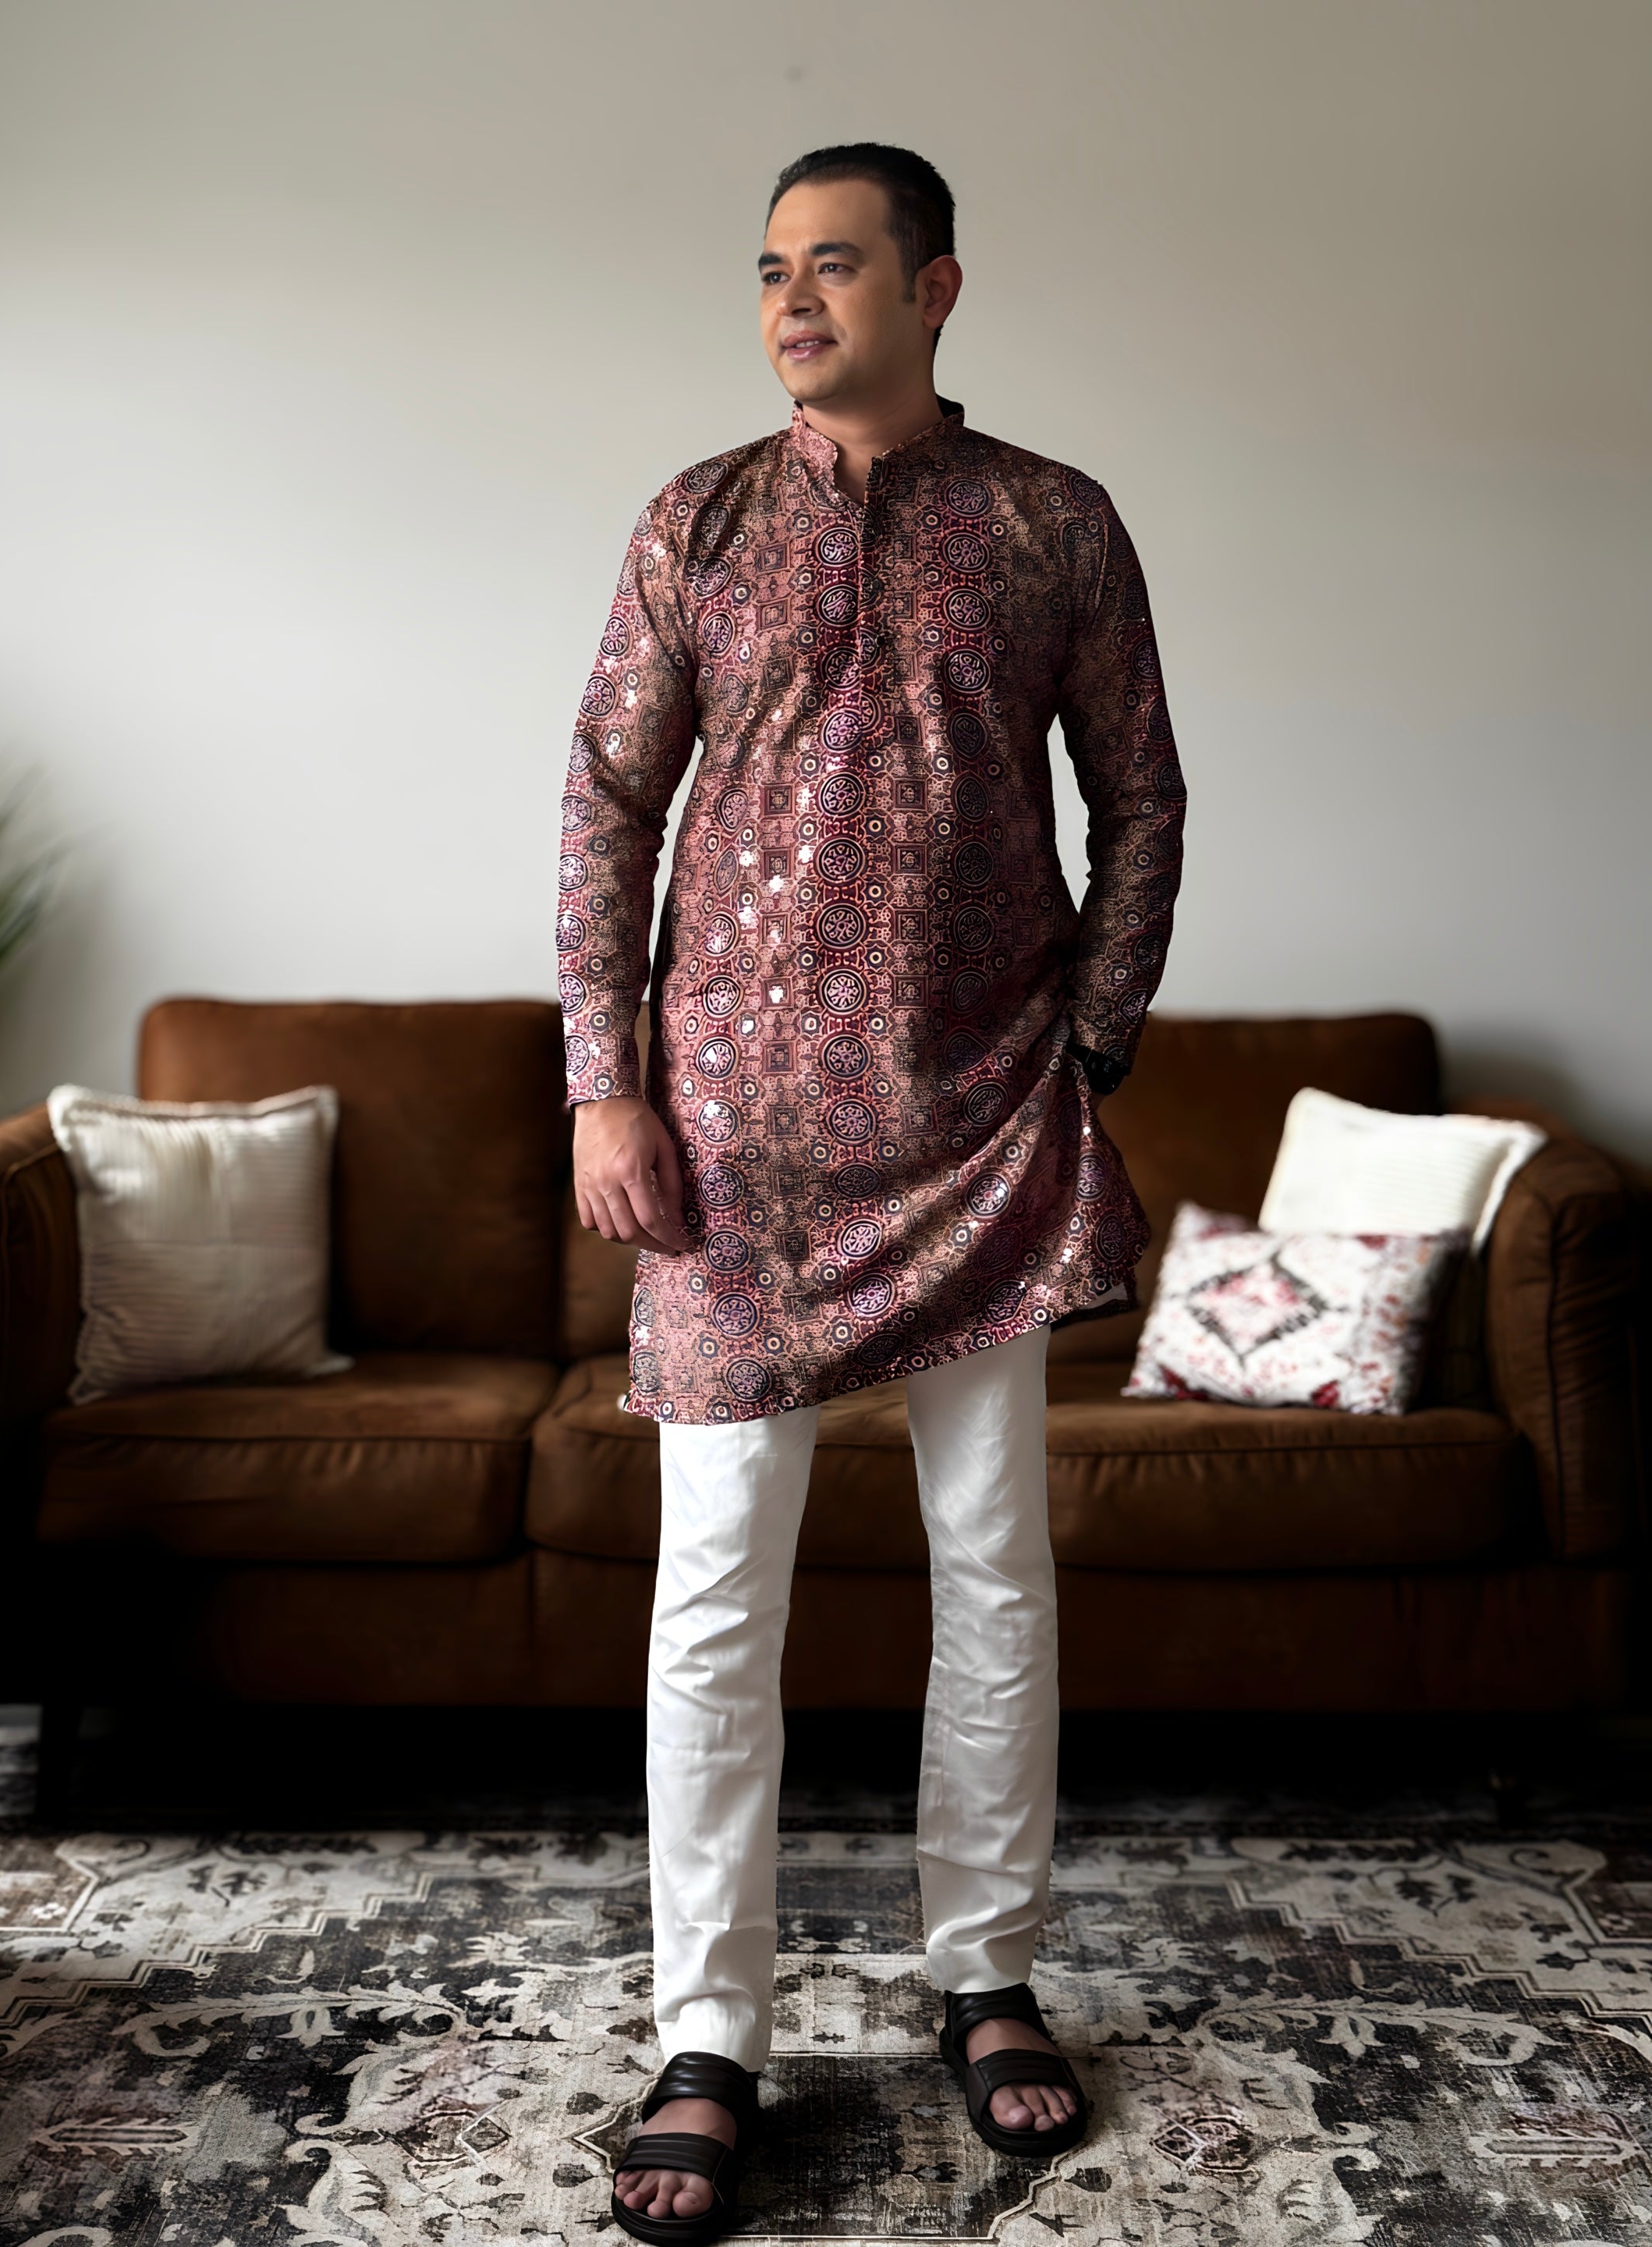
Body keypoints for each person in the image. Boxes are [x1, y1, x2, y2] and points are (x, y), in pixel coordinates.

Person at [557, 142, 1184, 2242]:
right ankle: (709, 2028)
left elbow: (1143, 784)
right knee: (717, 1592)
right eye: (768, 270)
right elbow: (605, 800)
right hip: (726, 1156)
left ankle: (985, 1973)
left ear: (938, 288)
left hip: (980, 1126)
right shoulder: (698, 521)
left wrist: (1090, 1039)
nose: (793, 300)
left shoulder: (1051, 524)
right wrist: (604, 1085)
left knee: (991, 1564)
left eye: (835, 266)